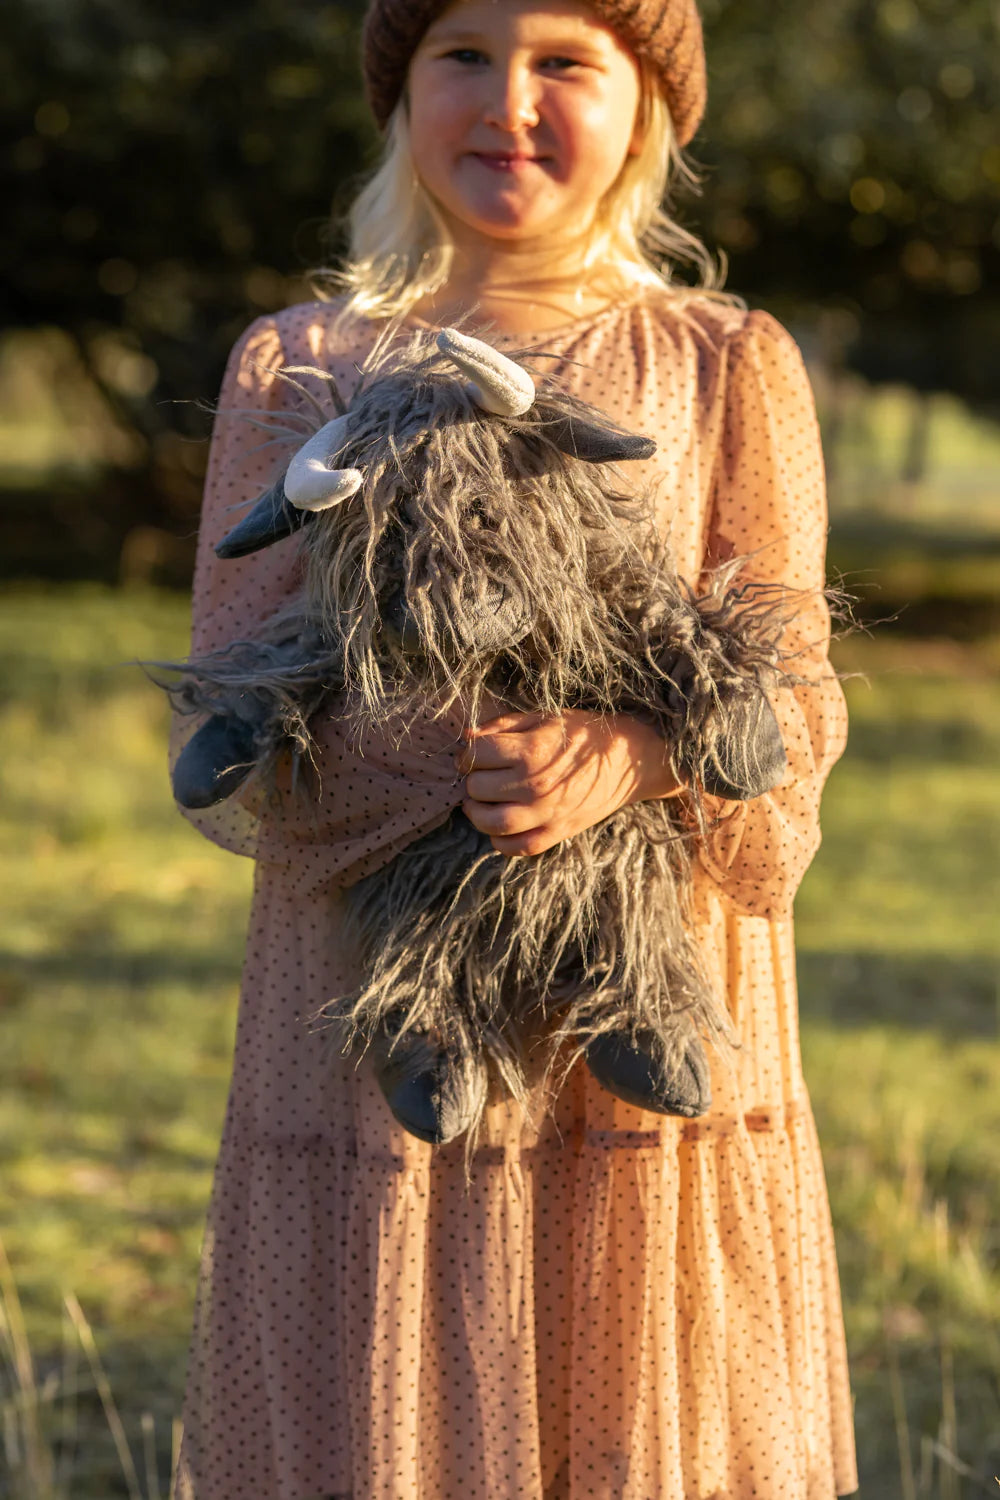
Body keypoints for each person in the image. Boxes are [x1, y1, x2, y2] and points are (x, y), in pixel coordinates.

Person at [170, 0, 858, 1493]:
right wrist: (443, 759)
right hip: (373, 1044)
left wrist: (636, 756)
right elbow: (234, 690)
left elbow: (794, 696)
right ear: (399, 93)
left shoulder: (725, 361)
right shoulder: (298, 366)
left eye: (567, 62)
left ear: (648, 109)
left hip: (639, 1042)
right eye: (463, 55)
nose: (510, 101)